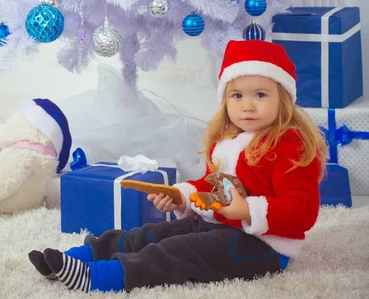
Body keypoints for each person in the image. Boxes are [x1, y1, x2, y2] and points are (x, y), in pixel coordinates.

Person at [28, 40, 327, 293]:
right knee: (154, 232)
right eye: (237, 95)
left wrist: (247, 210)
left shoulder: (289, 145)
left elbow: (303, 211)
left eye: (260, 95)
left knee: (178, 252)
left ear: (283, 99)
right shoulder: (228, 140)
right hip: (218, 222)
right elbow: (212, 186)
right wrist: (181, 195)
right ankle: (81, 255)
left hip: (263, 246)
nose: (247, 105)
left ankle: (101, 277)